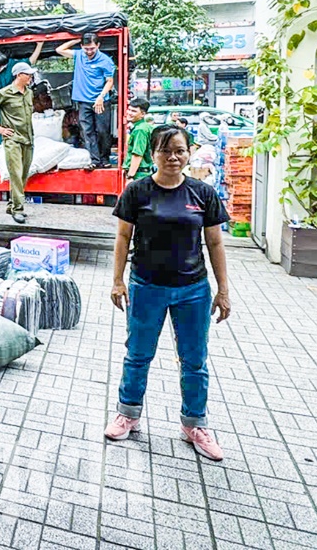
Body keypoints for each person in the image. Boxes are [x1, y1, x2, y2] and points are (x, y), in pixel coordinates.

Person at [106, 124, 231, 461]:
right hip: (146, 287)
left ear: (188, 152)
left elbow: (215, 242)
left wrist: (223, 290)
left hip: (193, 290)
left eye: (179, 150)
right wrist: (117, 280)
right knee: (137, 354)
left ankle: (195, 425)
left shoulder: (202, 194)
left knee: (194, 360)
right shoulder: (137, 191)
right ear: (153, 155)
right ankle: (127, 414)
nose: (173, 157)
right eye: (165, 151)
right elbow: (122, 238)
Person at [0, 62, 36, 224]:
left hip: (28, 139)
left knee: (24, 174)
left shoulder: (29, 93)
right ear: (19, 75)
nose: (30, 77)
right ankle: (18, 209)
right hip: (13, 140)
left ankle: (12, 204)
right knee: (16, 174)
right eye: (28, 74)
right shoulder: (5, 93)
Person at [57, 33, 116, 168]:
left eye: (92, 48)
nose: (89, 52)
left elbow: (110, 82)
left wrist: (101, 97)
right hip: (84, 101)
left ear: (98, 46)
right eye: (86, 48)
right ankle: (94, 160)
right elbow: (59, 50)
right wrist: (76, 39)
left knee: (102, 131)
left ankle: (104, 159)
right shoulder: (79, 55)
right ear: (82, 46)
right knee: (87, 131)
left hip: (100, 101)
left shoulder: (105, 61)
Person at [0, 42, 43, 164]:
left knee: (16, 127)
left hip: (12, 100)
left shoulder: (13, 64)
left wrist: (39, 45)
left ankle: (18, 156)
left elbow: (30, 62)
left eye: (1, 69)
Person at [123, 97, 154, 181]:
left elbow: (137, 154)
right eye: (129, 109)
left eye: (134, 111)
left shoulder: (140, 130)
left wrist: (130, 176)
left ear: (143, 114)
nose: (129, 113)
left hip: (138, 175)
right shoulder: (145, 127)